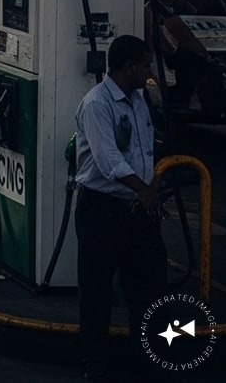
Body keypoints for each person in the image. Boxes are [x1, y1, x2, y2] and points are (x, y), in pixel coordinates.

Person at [74, 34, 166, 381]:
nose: (149, 71)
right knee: (97, 290)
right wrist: (143, 190)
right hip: (102, 209)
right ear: (129, 67)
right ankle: (94, 362)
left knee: (148, 288)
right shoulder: (98, 104)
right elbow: (108, 160)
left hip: (137, 209)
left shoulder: (140, 99)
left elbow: (142, 148)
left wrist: (152, 187)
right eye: (145, 65)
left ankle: (147, 358)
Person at [145, 0, 226, 118]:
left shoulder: (178, 9)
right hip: (165, 59)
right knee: (197, 64)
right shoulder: (155, 11)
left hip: (176, 58)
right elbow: (175, 42)